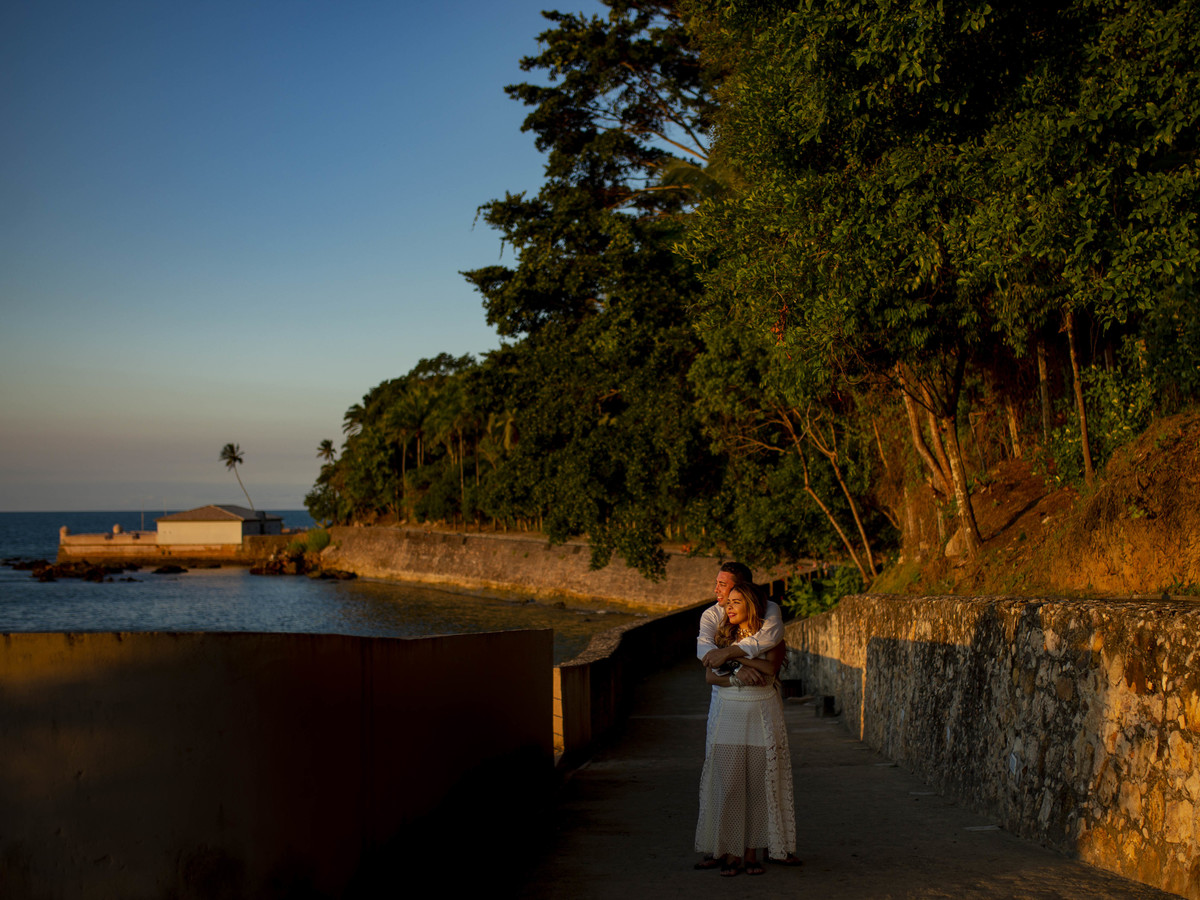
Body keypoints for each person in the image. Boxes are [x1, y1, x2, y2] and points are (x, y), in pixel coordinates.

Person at [694, 582, 796, 876]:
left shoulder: (771, 637)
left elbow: (769, 671)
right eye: (728, 602)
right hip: (729, 717)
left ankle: (751, 854)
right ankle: (730, 852)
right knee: (729, 786)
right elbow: (711, 677)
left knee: (757, 788)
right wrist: (737, 674)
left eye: (736, 602)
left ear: (751, 605)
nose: (729, 607)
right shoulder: (721, 635)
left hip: (761, 717)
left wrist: (732, 656)